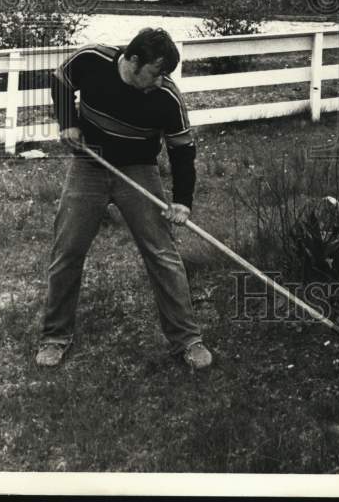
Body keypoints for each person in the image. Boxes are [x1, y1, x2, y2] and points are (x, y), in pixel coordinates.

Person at [35, 27, 213, 370]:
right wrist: (68, 122)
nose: (160, 81)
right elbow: (59, 79)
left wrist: (182, 201)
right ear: (132, 60)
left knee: (162, 253)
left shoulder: (167, 98)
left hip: (138, 171)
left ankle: (188, 340)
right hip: (89, 165)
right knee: (67, 250)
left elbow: (182, 150)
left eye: (165, 75)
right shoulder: (92, 60)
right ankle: (54, 337)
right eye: (155, 72)